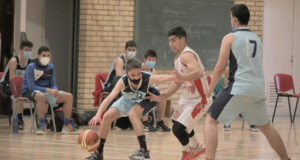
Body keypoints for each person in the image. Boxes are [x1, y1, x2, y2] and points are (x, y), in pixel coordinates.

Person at [204, 4, 291, 160]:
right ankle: (286, 158)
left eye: (231, 18)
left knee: (210, 120)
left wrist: (210, 87)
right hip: (257, 89)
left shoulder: (230, 37)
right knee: (266, 127)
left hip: (239, 87)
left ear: (235, 20)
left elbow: (220, 66)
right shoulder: (256, 39)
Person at [85, 58, 175, 160]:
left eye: (138, 74)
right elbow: (109, 98)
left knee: (133, 114)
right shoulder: (122, 82)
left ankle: (144, 152)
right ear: (127, 74)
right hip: (128, 99)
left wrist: (184, 78)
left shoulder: (148, 78)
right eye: (133, 75)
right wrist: (98, 115)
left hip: (147, 98)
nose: (136, 77)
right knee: (107, 116)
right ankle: (98, 153)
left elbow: (169, 78)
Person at [147, 26, 209, 160]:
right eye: (169, 41)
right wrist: (161, 97)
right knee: (176, 122)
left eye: (173, 40)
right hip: (188, 98)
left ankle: (187, 153)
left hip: (201, 99)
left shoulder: (187, 55)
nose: (170, 44)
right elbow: (176, 83)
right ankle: (197, 146)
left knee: (178, 129)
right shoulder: (177, 59)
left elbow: (198, 72)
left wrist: (182, 78)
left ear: (183, 40)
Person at [22, 46, 78, 135]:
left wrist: (54, 90)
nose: (46, 58)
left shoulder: (51, 67)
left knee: (69, 96)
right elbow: (31, 87)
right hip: (30, 91)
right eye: (43, 55)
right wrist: (48, 90)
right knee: (41, 96)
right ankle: (42, 125)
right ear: (38, 56)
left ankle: (67, 125)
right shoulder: (31, 67)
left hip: (46, 92)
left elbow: (53, 84)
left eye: (48, 56)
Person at [0, 40, 33, 130]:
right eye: (27, 50)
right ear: (21, 50)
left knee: (25, 91)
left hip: (20, 85)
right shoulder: (14, 61)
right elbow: (12, 79)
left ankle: (20, 117)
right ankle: (19, 118)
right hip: (7, 84)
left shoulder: (30, 62)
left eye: (30, 50)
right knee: (20, 92)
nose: (29, 52)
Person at [141, 49, 171, 132]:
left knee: (162, 96)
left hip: (149, 90)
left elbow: (157, 85)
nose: (151, 62)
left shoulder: (153, 71)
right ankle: (145, 122)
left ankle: (160, 122)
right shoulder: (139, 68)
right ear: (145, 60)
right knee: (145, 94)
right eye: (149, 60)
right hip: (138, 92)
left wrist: (159, 88)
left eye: (153, 60)